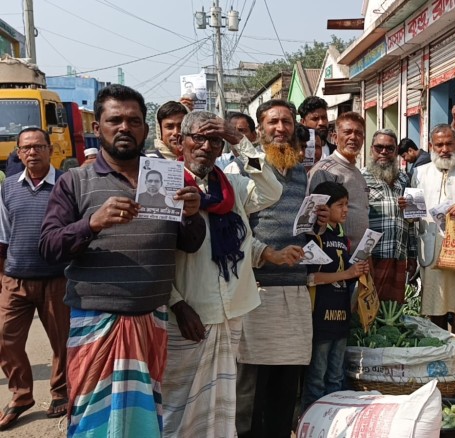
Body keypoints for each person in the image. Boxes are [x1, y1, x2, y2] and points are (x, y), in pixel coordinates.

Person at [39, 84, 206, 437]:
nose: (124, 128)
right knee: (93, 423)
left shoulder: (167, 178)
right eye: (115, 120)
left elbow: (190, 245)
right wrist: (91, 223)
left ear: (146, 129)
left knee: (143, 421)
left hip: (152, 322)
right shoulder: (75, 181)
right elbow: (49, 247)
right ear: (97, 128)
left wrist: (192, 214)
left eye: (134, 120)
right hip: (96, 322)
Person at [161, 111, 281, 437]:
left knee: (221, 407)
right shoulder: (166, 185)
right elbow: (154, 254)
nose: (205, 146)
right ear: (181, 143)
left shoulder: (231, 186)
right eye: (197, 138)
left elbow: (271, 190)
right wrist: (176, 303)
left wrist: (239, 139)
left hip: (232, 311)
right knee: (178, 408)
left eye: (213, 139)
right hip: (189, 313)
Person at [229, 99, 326, 438]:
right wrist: (267, 253)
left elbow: (303, 228)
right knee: (252, 388)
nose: (281, 129)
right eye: (273, 122)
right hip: (257, 292)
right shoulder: (241, 170)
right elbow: (233, 232)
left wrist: (319, 225)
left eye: (286, 121)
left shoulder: (301, 172)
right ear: (259, 129)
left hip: (295, 292)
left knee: (287, 387)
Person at [0, 128, 70, 430]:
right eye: (25, 148)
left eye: (38, 146)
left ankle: (61, 392)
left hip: (57, 279)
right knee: (5, 338)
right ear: (17, 152)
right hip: (15, 278)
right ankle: (21, 395)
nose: (32, 152)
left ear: (50, 149)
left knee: (62, 342)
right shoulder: (8, 189)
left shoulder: (67, 185)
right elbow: (3, 235)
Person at [412, 123, 455, 387]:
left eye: (448, 143)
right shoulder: (419, 173)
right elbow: (414, 214)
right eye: (438, 145)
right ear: (431, 146)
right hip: (432, 250)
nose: (444, 149)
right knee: (434, 309)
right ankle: (437, 363)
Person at [301, 181, 370, 410]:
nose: (346, 210)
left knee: (336, 374)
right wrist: (347, 272)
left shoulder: (342, 235)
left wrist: (357, 271)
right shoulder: (314, 237)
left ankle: (333, 416)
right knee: (317, 375)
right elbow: (312, 278)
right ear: (323, 207)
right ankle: (311, 418)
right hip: (320, 315)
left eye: (347, 204)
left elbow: (345, 273)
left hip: (341, 315)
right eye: (340, 205)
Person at [363, 129, 417, 302]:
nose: (384, 152)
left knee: (392, 314)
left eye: (389, 148)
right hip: (373, 257)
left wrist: (412, 254)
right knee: (369, 311)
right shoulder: (361, 178)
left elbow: (410, 222)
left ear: (396, 152)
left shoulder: (403, 179)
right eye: (379, 148)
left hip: (398, 255)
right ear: (372, 149)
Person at [308, 112, 370, 251]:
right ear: (335, 137)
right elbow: (318, 221)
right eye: (347, 132)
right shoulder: (325, 171)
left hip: (358, 258)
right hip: (336, 259)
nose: (353, 137)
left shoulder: (358, 173)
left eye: (358, 133)